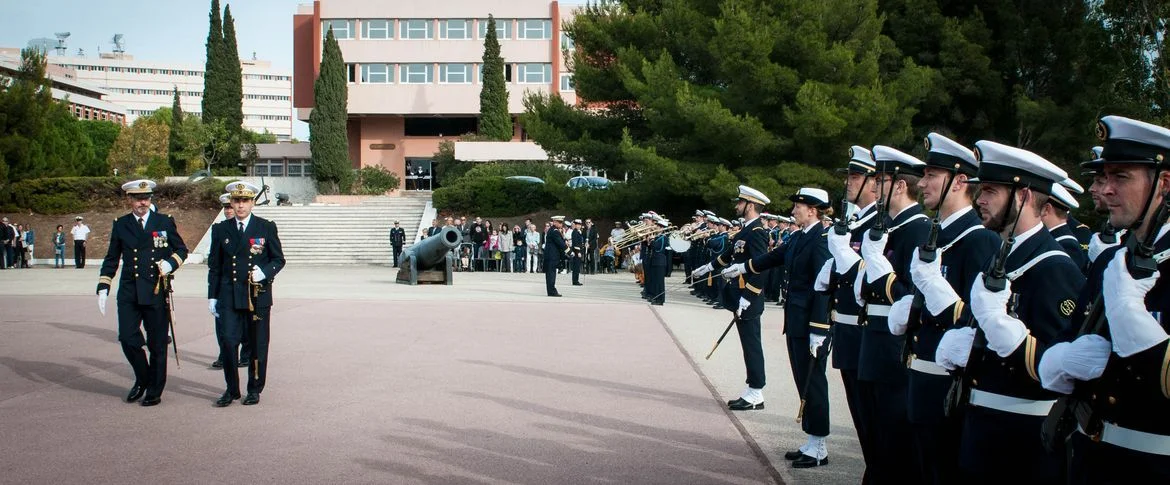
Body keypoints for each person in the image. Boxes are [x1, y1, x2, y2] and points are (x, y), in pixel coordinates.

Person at [934, 140, 1085, 484]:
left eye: (990, 191)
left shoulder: (1054, 268)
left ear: (1024, 196)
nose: (980, 199)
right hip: (983, 428)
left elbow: (1062, 368)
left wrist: (1007, 339)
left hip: (1021, 440)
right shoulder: (1003, 254)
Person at [1038, 116, 1170, 483]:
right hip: (1092, 457)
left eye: (1121, 177)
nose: (1106, 190)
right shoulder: (1112, 261)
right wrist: (1060, 359)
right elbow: (1070, 333)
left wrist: (1131, 320)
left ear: (1165, 184)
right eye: (1104, 177)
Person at [887, 133, 999, 484]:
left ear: (959, 181)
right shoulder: (935, 234)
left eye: (932, 175)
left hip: (947, 382)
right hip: (919, 372)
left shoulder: (979, 239)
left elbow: (978, 319)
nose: (922, 183)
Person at [723, 188, 833, 467]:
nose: (793, 210)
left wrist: (820, 327)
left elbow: (824, 287)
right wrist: (742, 268)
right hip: (795, 320)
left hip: (811, 322)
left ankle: (819, 443)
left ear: (813, 210)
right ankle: (811, 438)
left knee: (813, 381)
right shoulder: (799, 237)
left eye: (799, 206)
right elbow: (771, 258)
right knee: (801, 378)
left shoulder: (822, 240)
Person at [856, 145, 931, 483]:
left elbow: (911, 295)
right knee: (876, 429)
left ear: (900, 186)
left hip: (892, 341)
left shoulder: (916, 228)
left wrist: (880, 276)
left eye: (882, 181)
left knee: (891, 432)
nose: (876, 187)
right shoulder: (894, 225)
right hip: (875, 334)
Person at [95, 179, 188, 406]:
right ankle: (143, 378)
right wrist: (104, 286)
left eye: (146, 198)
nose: (143, 202)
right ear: (129, 200)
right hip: (129, 291)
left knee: (157, 344)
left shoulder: (164, 221)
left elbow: (181, 250)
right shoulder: (121, 224)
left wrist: (170, 263)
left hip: (155, 290)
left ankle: (154, 390)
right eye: (138, 198)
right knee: (127, 338)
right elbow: (112, 257)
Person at [692, 186, 771, 411]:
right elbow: (729, 256)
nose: (736, 206)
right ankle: (752, 389)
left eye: (740, 202)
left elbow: (761, 268)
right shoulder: (745, 230)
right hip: (740, 295)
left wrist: (749, 296)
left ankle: (756, 392)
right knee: (748, 344)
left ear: (751, 205)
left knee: (752, 344)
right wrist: (708, 267)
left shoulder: (757, 233)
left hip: (749, 297)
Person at [207, 182, 286, 407]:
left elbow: (278, 259)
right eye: (237, 201)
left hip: (257, 295)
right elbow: (215, 265)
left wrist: (265, 272)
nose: (240, 205)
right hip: (229, 296)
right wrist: (212, 295)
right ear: (231, 202)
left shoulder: (265, 227)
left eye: (245, 201)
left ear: (252, 203)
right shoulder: (221, 229)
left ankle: (254, 388)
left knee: (257, 344)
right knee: (229, 343)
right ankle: (232, 389)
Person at [210, 193, 249, 370]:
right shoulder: (219, 229)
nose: (228, 210)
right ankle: (224, 353)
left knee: (247, 325)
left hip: (246, 285)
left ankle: (246, 354)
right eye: (226, 207)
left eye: (229, 206)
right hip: (226, 286)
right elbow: (215, 261)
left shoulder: (252, 228)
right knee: (223, 325)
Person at [544, 216, 568, 297]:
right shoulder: (554, 231)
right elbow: (561, 244)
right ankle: (552, 291)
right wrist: (570, 252)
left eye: (561, 222)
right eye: (559, 222)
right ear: (554, 222)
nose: (561, 224)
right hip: (552, 256)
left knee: (551, 273)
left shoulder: (555, 230)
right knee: (551, 274)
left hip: (551, 256)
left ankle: (551, 291)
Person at [570, 219, 584, 285]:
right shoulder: (575, 232)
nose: (579, 226)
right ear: (575, 225)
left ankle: (576, 280)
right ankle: (575, 281)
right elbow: (575, 244)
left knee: (577, 267)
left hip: (578, 251)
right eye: (577, 225)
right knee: (576, 267)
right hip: (576, 252)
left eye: (580, 225)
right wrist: (578, 252)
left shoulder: (578, 232)